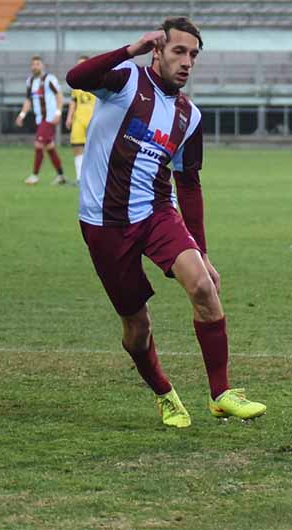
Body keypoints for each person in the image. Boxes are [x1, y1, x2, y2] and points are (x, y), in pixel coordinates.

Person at [66, 17, 266, 428]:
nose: (187, 61)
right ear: (157, 51)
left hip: (157, 211)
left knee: (204, 286)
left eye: (193, 54)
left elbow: (188, 184)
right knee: (136, 326)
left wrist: (202, 252)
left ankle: (221, 394)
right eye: (179, 51)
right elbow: (76, 77)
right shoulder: (125, 80)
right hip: (105, 223)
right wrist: (130, 49)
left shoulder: (189, 116)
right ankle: (164, 393)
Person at [15, 55, 66, 185]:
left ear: (42, 66)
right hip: (40, 119)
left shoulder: (49, 79)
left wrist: (58, 113)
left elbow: (59, 96)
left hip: (49, 119)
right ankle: (61, 176)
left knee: (38, 145)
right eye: (33, 64)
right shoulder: (30, 81)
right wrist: (22, 115)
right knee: (49, 147)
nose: (35, 67)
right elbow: (28, 100)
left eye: (37, 64)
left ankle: (35, 175)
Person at [65, 55, 96, 184]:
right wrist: (69, 117)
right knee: (77, 147)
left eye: (82, 64)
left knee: (94, 149)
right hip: (79, 119)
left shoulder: (97, 80)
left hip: (93, 119)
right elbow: (73, 101)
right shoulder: (75, 83)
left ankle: (93, 178)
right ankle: (79, 178)